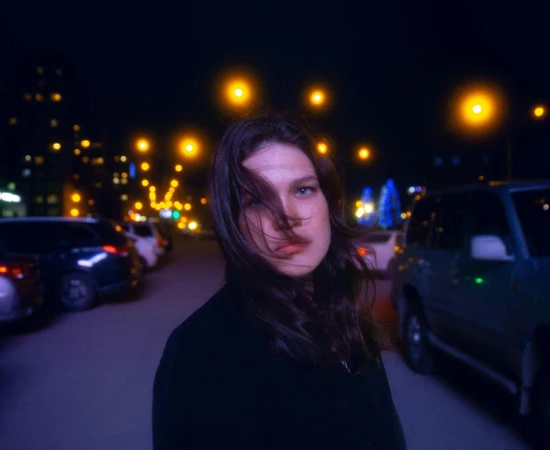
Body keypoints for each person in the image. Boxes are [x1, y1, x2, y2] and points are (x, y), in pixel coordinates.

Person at [152, 113, 406, 450]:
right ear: (234, 222)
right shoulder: (201, 351)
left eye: (303, 189)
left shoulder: (349, 319)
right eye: (257, 200)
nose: (285, 218)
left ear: (328, 202)